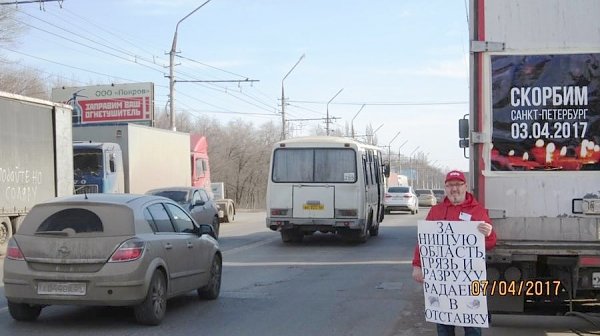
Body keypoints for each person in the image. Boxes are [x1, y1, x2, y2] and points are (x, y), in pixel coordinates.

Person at [412, 170, 497, 336]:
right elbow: (424, 242)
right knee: (444, 327)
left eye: (458, 185)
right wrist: (417, 265)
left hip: (468, 282)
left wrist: (488, 234)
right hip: (442, 282)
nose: (454, 189)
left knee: (472, 327)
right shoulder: (436, 211)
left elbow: (491, 242)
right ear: (445, 188)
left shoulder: (477, 211)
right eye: (450, 185)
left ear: (465, 187)